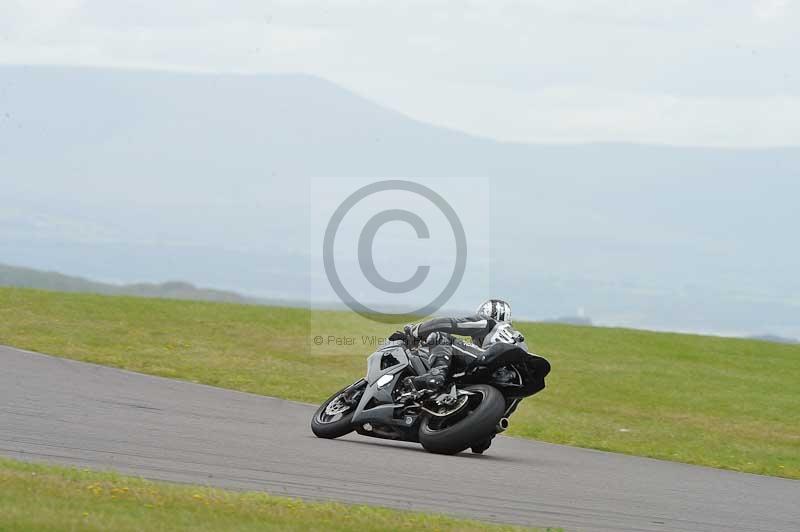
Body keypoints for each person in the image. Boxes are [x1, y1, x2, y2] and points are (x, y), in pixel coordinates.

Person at [388, 299, 550, 453]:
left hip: (490, 359)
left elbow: (449, 324)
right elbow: (515, 397)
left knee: (439, 336)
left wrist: (415, 330)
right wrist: (489, 428)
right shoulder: (519, 340)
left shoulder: (489, 323)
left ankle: (435, 374)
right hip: (509, 383)